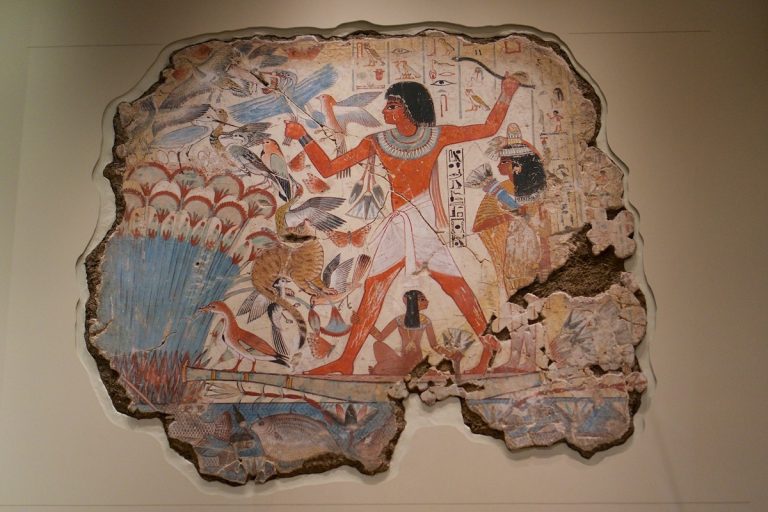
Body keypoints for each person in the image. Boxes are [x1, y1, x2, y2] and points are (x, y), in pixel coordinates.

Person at [284, 74, 520, 375]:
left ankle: (489, 344)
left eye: (392, 105)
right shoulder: (378, 141)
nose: (384, 110)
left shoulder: (436, 136)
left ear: (409, 108)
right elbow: (329, 169)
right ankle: (347, 360)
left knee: (453, 285)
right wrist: (302, 135)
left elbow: (489, 128)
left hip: (419, 218)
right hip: (400, 224)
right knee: (376, 288)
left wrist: (506, 92)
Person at [368, 290, 442, 376]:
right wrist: (366, 324)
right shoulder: (399, 320)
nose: (427, 301)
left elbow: (434, 345)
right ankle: (406, 370)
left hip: (416, 361)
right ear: (413, 302)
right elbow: (380, 337)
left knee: (379, 370)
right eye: (422, 299)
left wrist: (450, 354)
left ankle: (410, 370)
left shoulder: (425, 321)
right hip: (402, 361)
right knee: (377, 345)